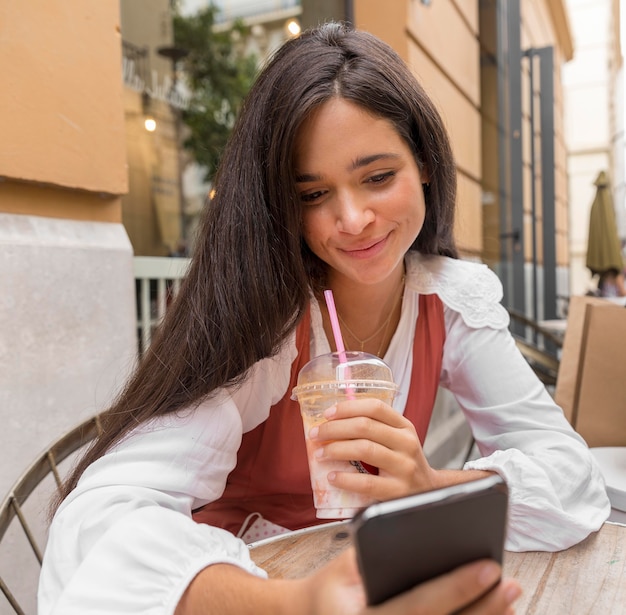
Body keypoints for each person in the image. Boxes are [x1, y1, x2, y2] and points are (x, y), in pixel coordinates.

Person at [38, 23, 609, 614]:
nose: (354, 218)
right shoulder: (265, 319)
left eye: (378, 177)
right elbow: (95, 525)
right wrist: (297, 606)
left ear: (426, 165)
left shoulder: (450, 300)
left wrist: (428, 486)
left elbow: (572, 477)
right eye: (312, 194)